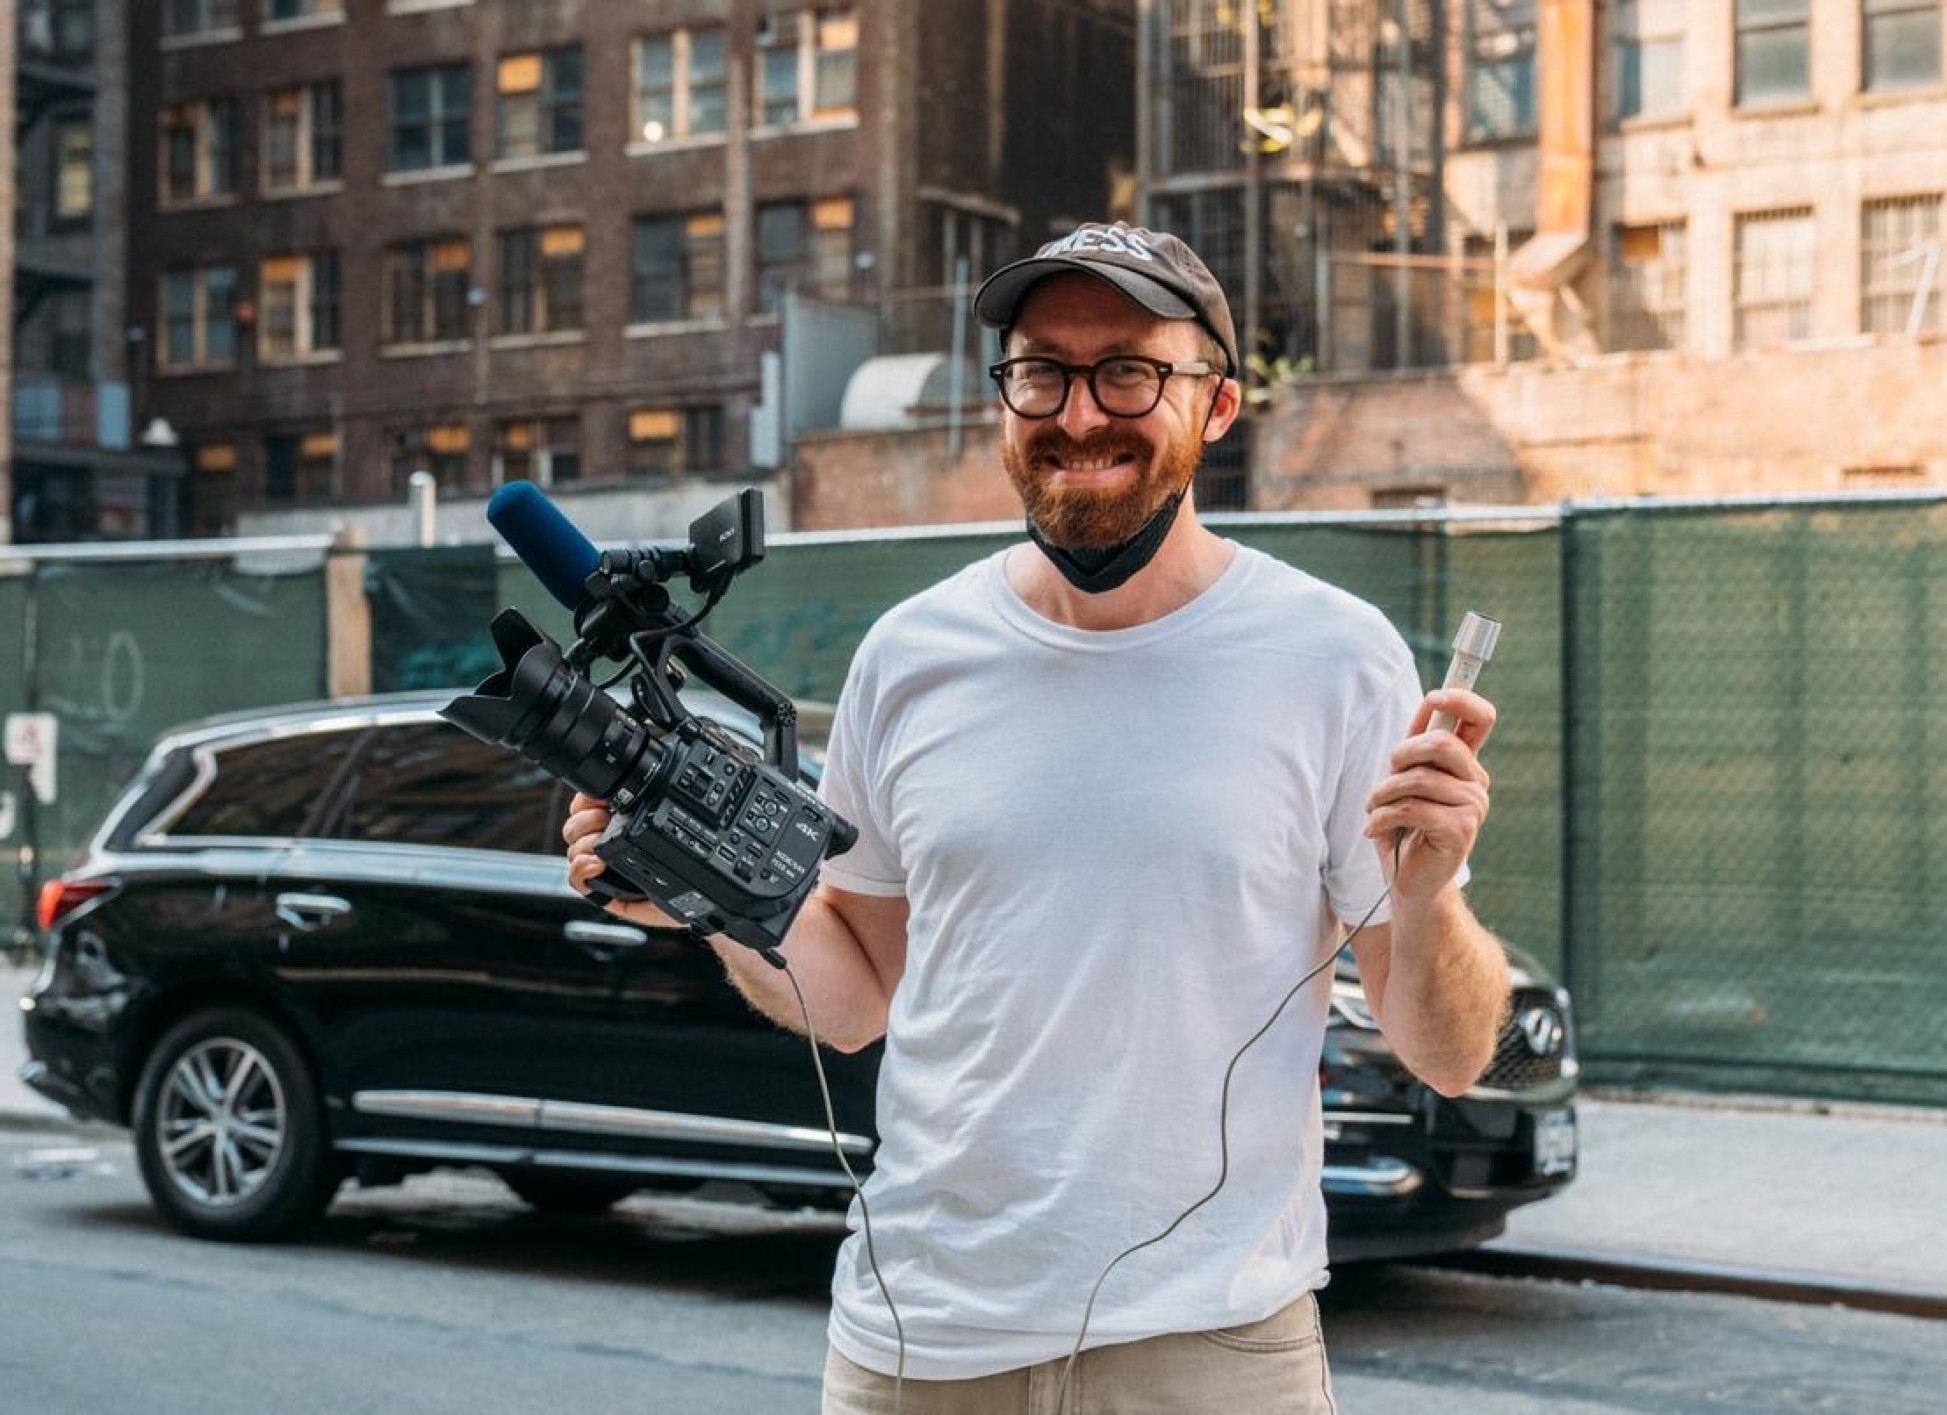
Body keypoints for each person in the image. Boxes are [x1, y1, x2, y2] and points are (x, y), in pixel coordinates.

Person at [563, 221, 1511, 1414]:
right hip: (918, 1340)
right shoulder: (909, 655)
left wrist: (1426, 896)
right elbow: (858, 1000)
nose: (1076, 413)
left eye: (1128, 370)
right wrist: (707, 890)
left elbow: (1450, 1051)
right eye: (1040, 371)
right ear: (1001, 399)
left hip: (1204, 1349)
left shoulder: (1333, 657)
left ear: (1215, 405)